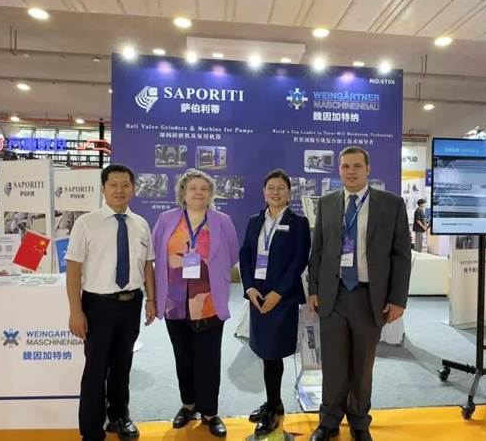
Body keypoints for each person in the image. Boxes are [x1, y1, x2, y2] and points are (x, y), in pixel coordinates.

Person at [307, 147, 411, 441]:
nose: (350, 171)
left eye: (356, 166)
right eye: (344, 166)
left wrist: (398, 299)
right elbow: (318, 251)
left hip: (369, 297)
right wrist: (313, 289)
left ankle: (359, 422)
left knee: (363, 366)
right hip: (333, 295)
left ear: (368, 169)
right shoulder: (327, 203)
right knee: (333, 364)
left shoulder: (391, 204)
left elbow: (401, 255)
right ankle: (328, 421)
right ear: (338, 170)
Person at [65, 164, 157, 441]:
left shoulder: (141, 224)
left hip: (131, 303)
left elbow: (147, 265)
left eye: (125, 185)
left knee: (122, 364)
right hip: (98, 305)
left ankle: (119, 417)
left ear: (133, 189)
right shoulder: (86, 223)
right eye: (113, 184)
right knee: (96, 368)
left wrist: (151, 298)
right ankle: (91, 431)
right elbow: (73, 269)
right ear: (103, 189)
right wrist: (75, 311)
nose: (120, 190)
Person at [151, 169, 239, 438]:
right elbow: (156, 251)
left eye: (204, 188)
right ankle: (188, 404)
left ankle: (210, 412)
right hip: (174, 300)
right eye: (193, 188)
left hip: (208, 300)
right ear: (183, 193)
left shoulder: (222, 221)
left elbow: (233, 254)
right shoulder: (166, 219)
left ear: (211, 194)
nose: (199, 193)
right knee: (183, 356)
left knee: (209, 359)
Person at [239, 169, 311, 437]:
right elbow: (245, 254)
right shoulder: (254, 220)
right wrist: (249, 288)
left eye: (281, 188)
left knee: (274, 352)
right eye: (271, 187)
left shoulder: (298, 223)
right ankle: (274, 402)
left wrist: (278, 293)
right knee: (263, 351)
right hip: (257, 296)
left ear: (289, 193)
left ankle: (272, 407)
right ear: (264, 192)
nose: (275, 192)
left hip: (281, 298)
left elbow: (299, 260)